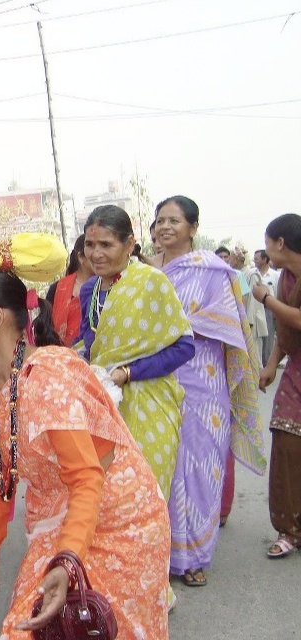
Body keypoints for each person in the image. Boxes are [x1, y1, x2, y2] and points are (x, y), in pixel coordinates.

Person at [0, 234, 170, 639]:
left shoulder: (49, 378)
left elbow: (88, 478)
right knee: (26, 627)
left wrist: (69, 558)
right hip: (62, 518)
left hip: (121, 519)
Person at [150, 195, 265, 587]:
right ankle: (166, 552)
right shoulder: (149, 272)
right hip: (161, 378)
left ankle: (197, 556)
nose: (166, 227)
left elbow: (228, 322)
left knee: (201, 466)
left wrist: (172, 325)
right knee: (165, 464)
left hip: (203, 378)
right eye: (161, 220)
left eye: (175, 220)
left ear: (193, 228)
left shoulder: (214, 270)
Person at [76, 204, 194, 500]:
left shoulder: (152, 282)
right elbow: (89, 345)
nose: (96, 253)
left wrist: (127, 373)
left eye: (106, 244)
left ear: (129, 244)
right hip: (103, 406)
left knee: (145, 500)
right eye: (90, 245)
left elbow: (184, 346)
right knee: (105, 501)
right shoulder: (90, 290)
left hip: (149, 407)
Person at [253, 213, 301, 558]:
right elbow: (287, 333)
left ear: (279, 243)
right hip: (295, 368)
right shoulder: (286, 278)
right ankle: (288, 529)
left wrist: (265, 299)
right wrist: (271, 364)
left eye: (268, 241)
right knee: (285, 442)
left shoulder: (275, 288)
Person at [45, 234, 92, 346]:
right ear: (81, 257)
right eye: (94, 248)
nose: (100, 255)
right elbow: (47, 330)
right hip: (61, 358)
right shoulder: (57, 289)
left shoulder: (108, 286)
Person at [255, 249, 279, 364]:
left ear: (264, 260)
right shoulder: (253, 273)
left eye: (256, 259)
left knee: (268, 339)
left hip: (269, 310)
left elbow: (278, 294)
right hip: (255, 310)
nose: (254, 261)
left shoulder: (275, 275)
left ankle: (267, 364)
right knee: (256, 339)